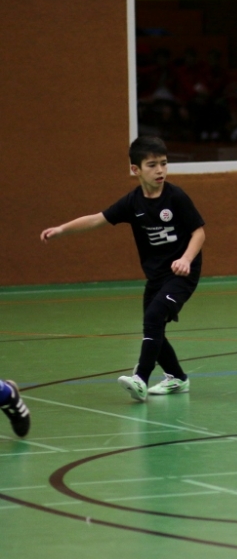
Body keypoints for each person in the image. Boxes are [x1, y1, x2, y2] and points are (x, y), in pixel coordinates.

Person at [41, 136, 206, 402]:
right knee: (154, 327)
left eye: (164, 163)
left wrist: (186, 259)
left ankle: (140, 378)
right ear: (135, 169)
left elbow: (199, 233)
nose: (160, 170)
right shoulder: (132, 202)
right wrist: (62, 230)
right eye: (152, 165)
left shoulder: (176, 197)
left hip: (182, 274)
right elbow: (97, 219)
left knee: (154, 317)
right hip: (156, 276)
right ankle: (177, 378)